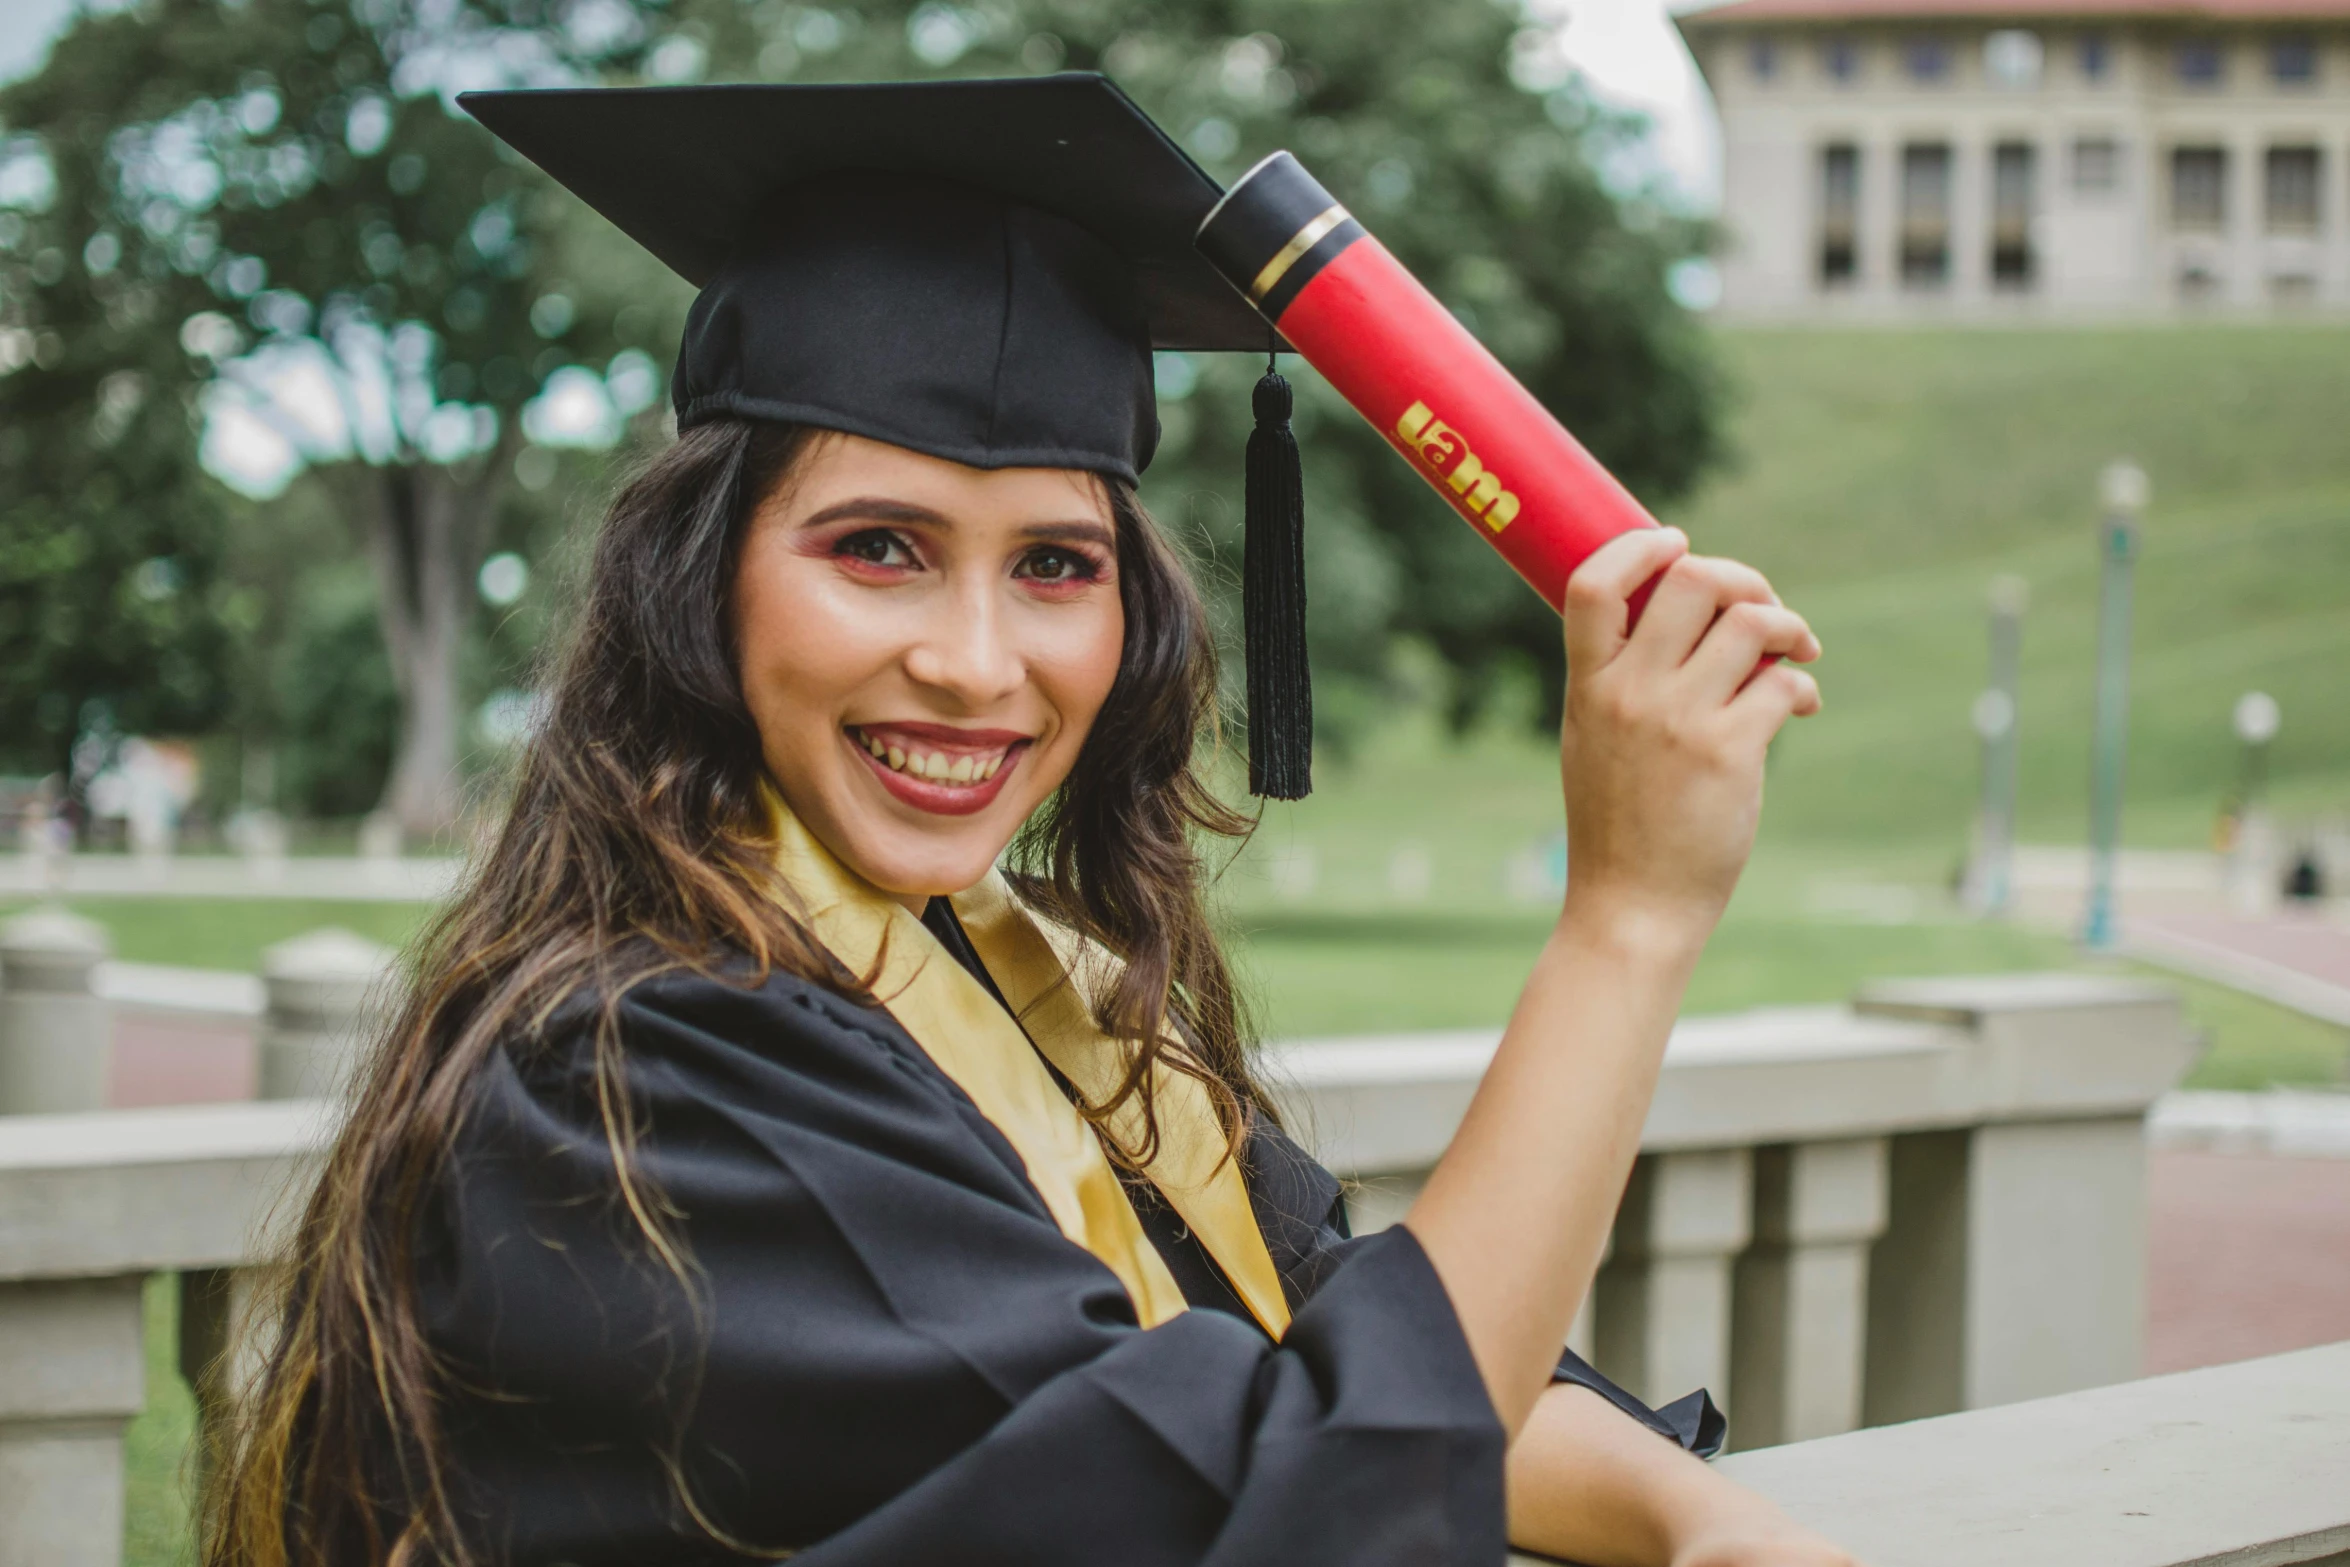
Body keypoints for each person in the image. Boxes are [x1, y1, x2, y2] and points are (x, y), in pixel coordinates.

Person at [202, 76, 1849, 1567]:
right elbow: (1286, 1493)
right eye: (877, 546)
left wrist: (1699, 1515)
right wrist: (1626, 917)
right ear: (697, 582)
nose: (975, 664)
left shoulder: (1008, 974)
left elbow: (1333, 1334)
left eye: (1055, 565)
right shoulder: (648, 1077)